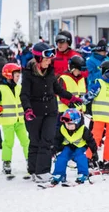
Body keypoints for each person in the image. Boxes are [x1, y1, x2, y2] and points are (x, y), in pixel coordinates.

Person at [20, 43, 83, 182]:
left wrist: (72, 97)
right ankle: (33, 170)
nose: (49, 62)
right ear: (38, 58)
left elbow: (58, 89)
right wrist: (27, 109)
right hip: (35, 112)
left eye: (50, 59)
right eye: (46, 59)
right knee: (35, 141)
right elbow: (24, 94)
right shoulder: (28, 74)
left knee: (47, 141)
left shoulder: (50, 72)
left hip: (51, 110)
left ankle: (43, 171)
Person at [0, 63, 29, 176]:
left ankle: (30, 161)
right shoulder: (0, 89)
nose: (18, 78)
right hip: (7, 121)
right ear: (9, 75)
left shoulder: (20, 88)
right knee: (9, 142)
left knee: (26, 141)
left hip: (20, 120)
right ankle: (6, 162)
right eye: (16, 75)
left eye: (19, 76)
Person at [49, 109, 98, 185]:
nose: (68, 126)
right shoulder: (62, 129)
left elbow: (90, 141)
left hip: (80, 147)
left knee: (80, 157)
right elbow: (57, 140)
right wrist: (54, 148)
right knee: (61, 157)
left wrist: (94, 152)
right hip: (68, 147)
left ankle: (83, 174)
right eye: (66, 124)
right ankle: (59, 174)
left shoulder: (83, 130)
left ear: (77, 122)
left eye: (71, 124)